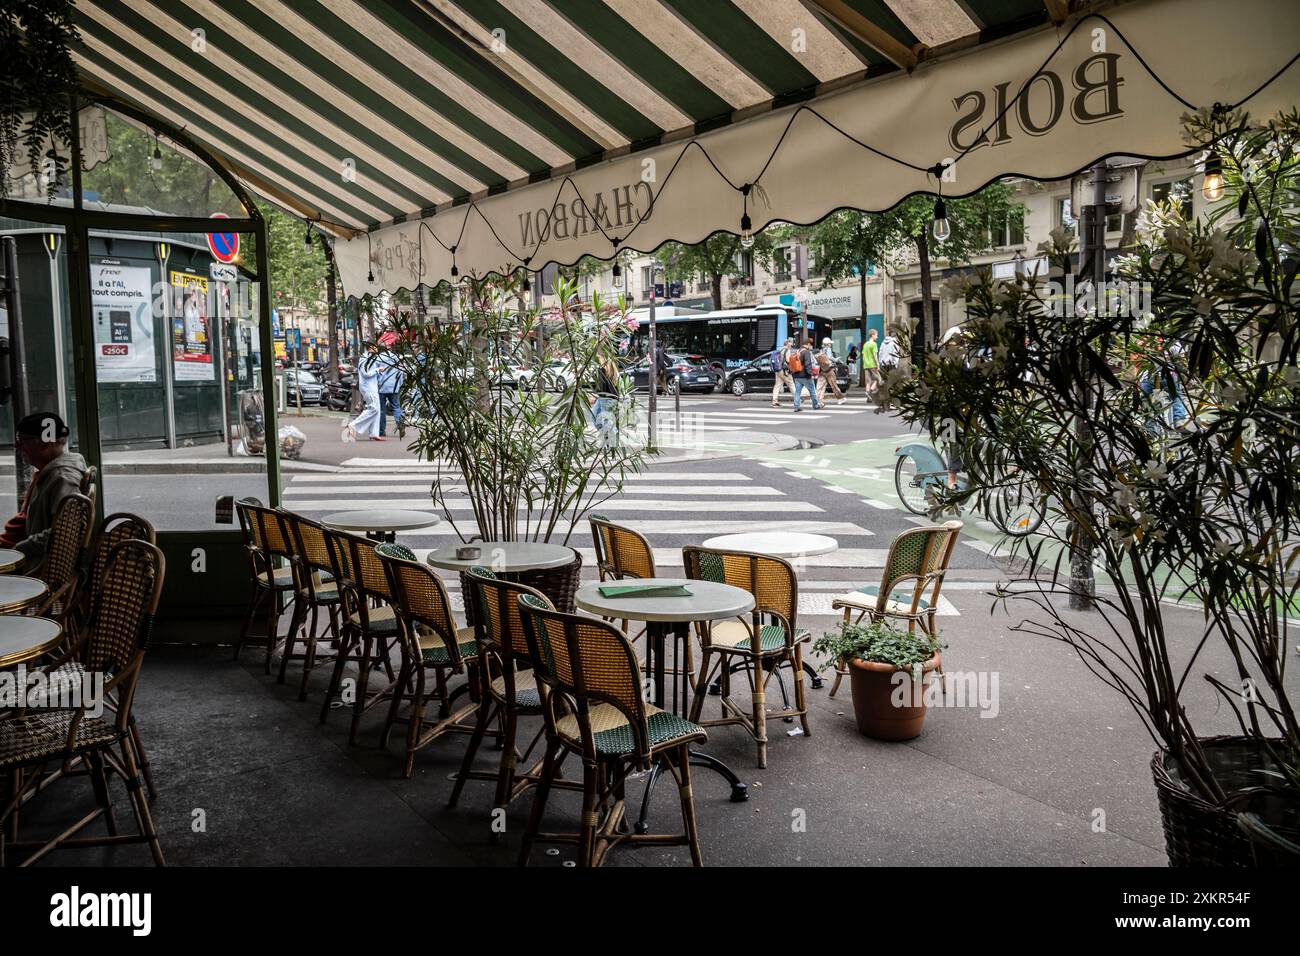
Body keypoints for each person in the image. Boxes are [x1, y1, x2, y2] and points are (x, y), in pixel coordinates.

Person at [0, 412, 87, 563]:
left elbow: (67, 532)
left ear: (45, 443)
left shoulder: (62, 478)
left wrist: (20, 549)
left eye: (22, 440)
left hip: (38, 568)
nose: (17, 447)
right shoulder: (50, 473)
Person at [345, 348, 384, 442]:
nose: (376, 348)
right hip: (368, 387)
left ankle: (374, 433)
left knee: (377, 409)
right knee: (374, 408)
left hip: (372, 387)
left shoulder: (372, 358)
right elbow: (365, 373)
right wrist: (378, 370)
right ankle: (352, 425)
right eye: (374, 347)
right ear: (369, 348)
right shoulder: (364, 359)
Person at [376, 349, 404, 438]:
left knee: (381, 410)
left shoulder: (378, 358)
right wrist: (399, 384)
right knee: (396, 407)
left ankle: (381, 431)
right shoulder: (395, 358)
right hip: (394, 386)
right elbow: (401, 372)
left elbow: (376, 372)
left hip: (382, 386)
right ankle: (400, 424)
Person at [790, 337, 822, 412]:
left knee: (797, 392)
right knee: (812, 390)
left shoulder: (797, 351)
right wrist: (810, 374)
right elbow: (807, 364)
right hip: (805, 375)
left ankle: (796, 406)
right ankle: (815, 405)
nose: (810, 346)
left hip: (797, 375)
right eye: (810, 344)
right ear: (807, 344)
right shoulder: (806, 352)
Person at [815, 338, 846, 405]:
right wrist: (836, 360)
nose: (831, 344)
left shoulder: (821, 350)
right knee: (834, 386)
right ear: (827, 344)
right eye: (830, 343)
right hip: (829, 370)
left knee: (820, 386)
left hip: (823, 370)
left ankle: (818, 401)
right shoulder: (828, 349)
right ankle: (841, 398)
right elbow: (829, 357)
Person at [771, 338, 795, 407]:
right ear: (787, 344)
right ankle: (797, 399)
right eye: (790, 343)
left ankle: (774, 400)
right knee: (791, 384)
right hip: (784, 371)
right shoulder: (787, 350)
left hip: (778, 370)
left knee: (777, 385)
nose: (791, 344)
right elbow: (788, 360)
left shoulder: (780, 350)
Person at [862, 328, 882, 398]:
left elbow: (863, 355)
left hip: (866, 365)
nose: (877, 337)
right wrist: (878, 364)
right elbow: (875, 356)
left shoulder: (865, 344)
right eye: (876, 335)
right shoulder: (874, 344)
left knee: (868, 382)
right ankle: (870, 392)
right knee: (878, 379)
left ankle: (868, 397)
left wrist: (865, 364)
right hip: (872, 365)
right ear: (872, 335)